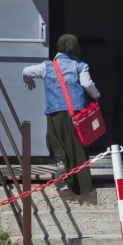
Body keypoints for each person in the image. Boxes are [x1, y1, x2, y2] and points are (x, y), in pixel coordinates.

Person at [22, 34, 100, 195]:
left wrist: (29, 81)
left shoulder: (47, 66)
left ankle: (60, 161)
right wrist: (96, 95)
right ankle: (81, 186)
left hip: (54, 112)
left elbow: (26, 71)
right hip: (76, 112)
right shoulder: (80, 66)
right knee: (77, 146)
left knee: (56, 140)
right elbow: (87, 84)